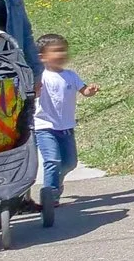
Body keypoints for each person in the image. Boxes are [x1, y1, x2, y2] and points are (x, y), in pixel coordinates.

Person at [33, 34, 94, 203]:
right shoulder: (41, 77)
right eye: (56, 51)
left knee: (70, 163)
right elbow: (32, 93)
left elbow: (84, 91)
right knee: (52, 160)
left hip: (66, 126)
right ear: (42, 57)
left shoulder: (70, 75)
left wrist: (90, 91)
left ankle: (57, 183)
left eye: (64, 51)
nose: (61, 55)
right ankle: (50, 195)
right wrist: (35, 90)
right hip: (44, 126)